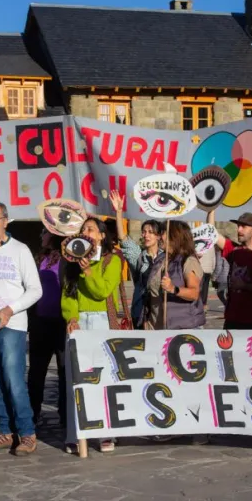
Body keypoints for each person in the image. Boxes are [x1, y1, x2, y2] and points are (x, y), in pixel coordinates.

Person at [0, 201, 43, 457]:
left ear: (5, 221)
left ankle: (27, 433)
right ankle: (6, 430)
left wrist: (9, 310)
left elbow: (36, 290)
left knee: (13, 380)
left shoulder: (20, 250)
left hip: (12, 324)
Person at [61, 218, 124, 453]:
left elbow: (103, 291)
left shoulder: (112, 261)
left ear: (101, 236)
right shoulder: (71, 261)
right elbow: (68, 294)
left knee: (103, 379)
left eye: (90, 229)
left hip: (102, 322)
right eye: (82, 230)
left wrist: (87, 271)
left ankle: (106, 433)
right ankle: (76, 433)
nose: (85, 233)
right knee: (75, 380)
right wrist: (72, 317)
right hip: (79, 322)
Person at [27, 229, 67, 429]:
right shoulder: (38, 258)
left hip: (62, 323)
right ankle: (33, 412)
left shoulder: (68, 258)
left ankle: (65, 414)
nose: (41, 235)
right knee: (36, 372)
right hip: (40, 323)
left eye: (44, 232)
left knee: (64, 371)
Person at [110, 189, 162, 329]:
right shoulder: (139, 256)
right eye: (144, 232)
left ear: (158, 236)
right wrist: (119, 212)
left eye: (151, 232)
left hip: (161, 313)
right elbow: (124, 239)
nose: (146, 235)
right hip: (141, 314)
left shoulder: (166, 257)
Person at [210, 210, 252, 330]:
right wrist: (211, 208)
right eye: (238, 226)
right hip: (232, 318)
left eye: (243, 226)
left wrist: (245, 286)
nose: (239, 230)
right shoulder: (234, 249)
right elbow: (211, 233)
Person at [146, 222, 205, 331]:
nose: (159, 237)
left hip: (183, 327)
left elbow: (194, 293)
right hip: (158, 327)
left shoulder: (188, 260)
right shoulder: (161, 259)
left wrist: (173, 288)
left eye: (163, 233)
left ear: (174, 237)